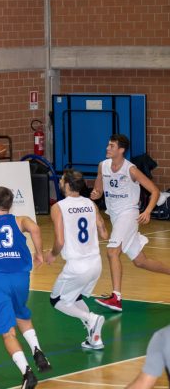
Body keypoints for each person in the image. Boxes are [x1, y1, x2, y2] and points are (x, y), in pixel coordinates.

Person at [0, 187, 51, 389]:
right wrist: (39, 253)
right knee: (21, 314)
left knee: (8, 333)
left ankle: (27, 373)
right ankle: (37, 351)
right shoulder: (20, 221)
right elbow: (35, 228)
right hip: (20, 278)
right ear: (10, 204)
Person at [90, 134, 170, 312]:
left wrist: (147, 211)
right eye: (108, 145)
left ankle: (116, 298)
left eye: (111, 146)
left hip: (129, 214)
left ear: (121, 150)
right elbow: (99, 190)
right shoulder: (103, 166)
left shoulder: (131, 170)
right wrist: (96, 194)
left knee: (112, 252)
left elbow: (154, 191)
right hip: (115, 216)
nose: (107, 148)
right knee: (141, 261)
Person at [45, 169, 109, 350]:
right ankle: (94, 337)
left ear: (66, 185)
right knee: (75, 296)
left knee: (57, 300)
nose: (60, 182)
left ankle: (92, 319)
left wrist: (52, 254)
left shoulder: (58, 207)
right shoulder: (90, 204)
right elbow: (104, 232)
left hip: (77, 265)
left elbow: (59, 240)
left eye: (62, 179)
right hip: (95, 263)